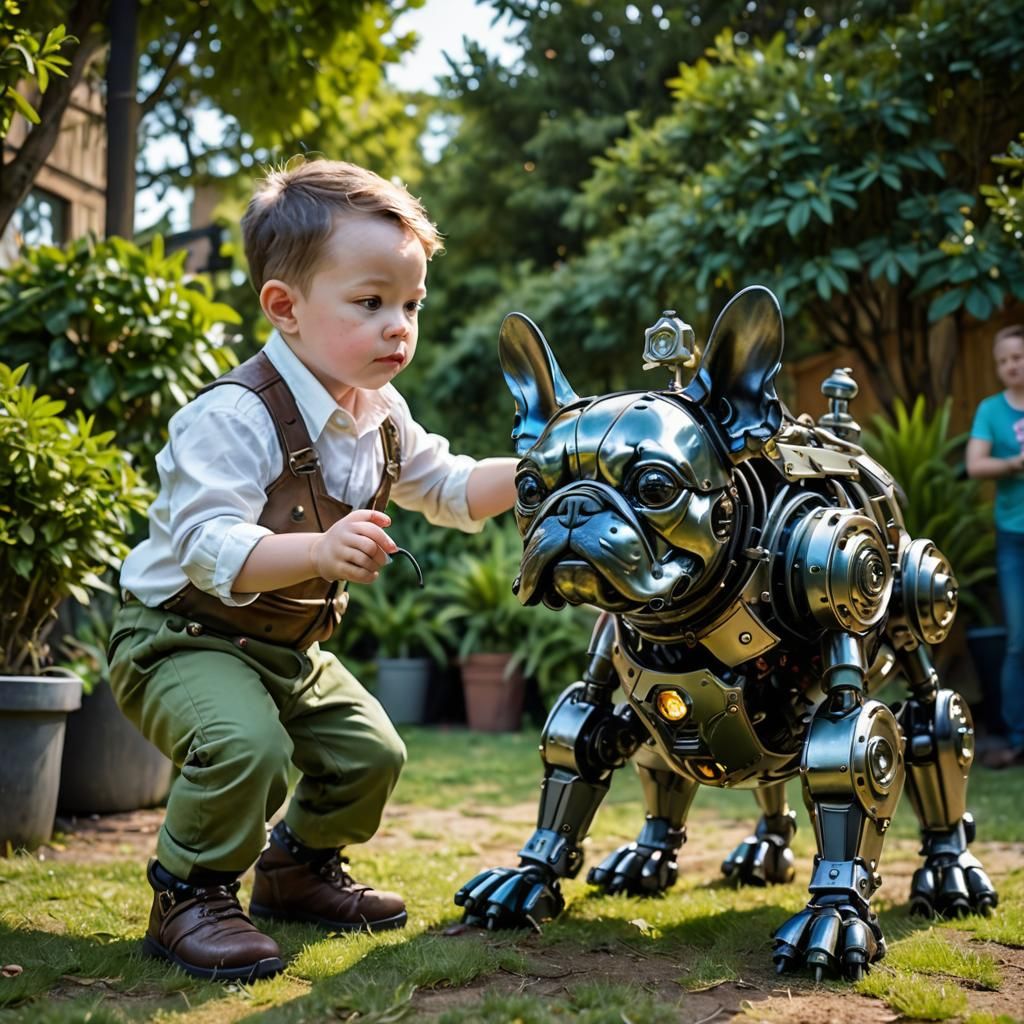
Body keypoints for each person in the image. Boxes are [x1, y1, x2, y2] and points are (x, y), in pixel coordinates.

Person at [107, 158, 518, 981]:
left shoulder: (381, 414)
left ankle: (295, 873)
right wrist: (321, 552)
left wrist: (548, 466)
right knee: (243, 745)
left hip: (287, 648)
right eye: (370, 303)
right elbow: (208, 542)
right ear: (285, 308)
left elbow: (450, 488)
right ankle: (188, 892)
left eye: (411, 305)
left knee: (371, 754)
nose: (398, 326)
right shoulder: (233, 414)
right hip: (180, 637)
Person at [966, 324, 1024, 769]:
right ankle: (1016, 737)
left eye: (1017, 358)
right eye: (1003, 360)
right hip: (1013, 540)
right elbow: (975, 464)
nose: (1010, 366)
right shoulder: (990, 410)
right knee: (1017, 642)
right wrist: (1013, 463)